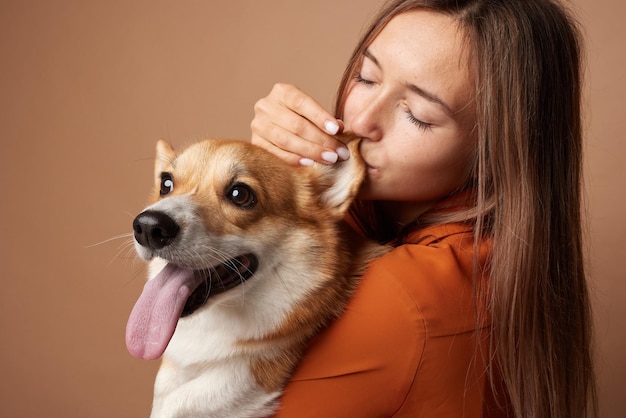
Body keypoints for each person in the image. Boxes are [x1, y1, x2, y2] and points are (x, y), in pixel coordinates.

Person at [250, 0, 597, 417]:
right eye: (366, 76)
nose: (360, 121)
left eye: (418, 115)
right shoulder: (501, 259)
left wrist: (259, 198)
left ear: (494, 151)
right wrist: (274, 183)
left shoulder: (402, 297)